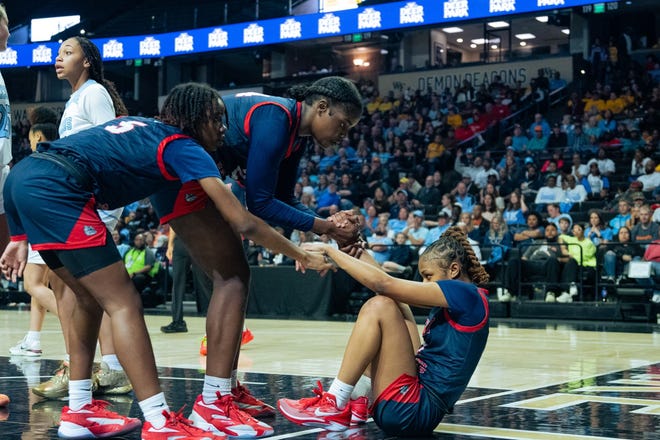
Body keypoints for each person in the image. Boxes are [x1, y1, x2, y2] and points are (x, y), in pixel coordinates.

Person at [0, 82, 333, 439]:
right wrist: (300, 253)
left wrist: (18, 238)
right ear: (197, 118)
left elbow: (24, 174)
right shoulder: (184, 146)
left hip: (25, 177)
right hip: (60, 189)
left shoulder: (148, 128)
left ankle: (79, 411)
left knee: (86, 298)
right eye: (217, 119)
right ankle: (159, 421)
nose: (224, 128)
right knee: (124, 302)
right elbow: (244, 221)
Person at [278, 226, 490, 436]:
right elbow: (391, 288)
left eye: (428, 276)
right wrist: (356, 251)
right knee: (396, 306)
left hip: (412, 411)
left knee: (380, 306)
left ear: (453, 270)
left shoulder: (466, 294)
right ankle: (357, 400)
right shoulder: (465, 296)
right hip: (416, 403)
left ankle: (334, 401)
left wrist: (330, 251)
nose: (424, 283)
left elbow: (383, 283)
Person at [31, 36, 132, 400]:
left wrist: (102, 204)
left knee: (79, 288)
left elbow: (111, 146)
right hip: (77, 202)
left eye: (68, 53)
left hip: (94, 204)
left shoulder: (93, 94)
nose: (59, 59)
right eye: (58, 54)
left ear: (87, 61)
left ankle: (85, 368)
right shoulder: (77, 97)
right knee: (71, 288)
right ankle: (100, 368)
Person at [9, 110, 59, 359]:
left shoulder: (37, 162)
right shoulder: (61, 156)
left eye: (30, 138)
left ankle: (79, 322)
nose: (28, 143)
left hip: (42, 231)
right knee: (41, 287)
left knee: (32, 284)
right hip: (55, 230)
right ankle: (33, 340)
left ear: (38, 136)